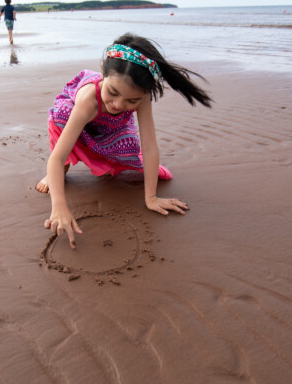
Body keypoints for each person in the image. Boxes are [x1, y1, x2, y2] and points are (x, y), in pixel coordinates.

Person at [36, 33, 212, 249]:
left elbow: (148, 147)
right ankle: (60, 174)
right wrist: (59, 207)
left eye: (132, 100)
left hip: (110, 126)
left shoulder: (141, 95)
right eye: (113, 92)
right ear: (102, 70)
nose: (118, 104)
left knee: (144, 160)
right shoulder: (88, 100)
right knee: (61, 121)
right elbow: (56, 157)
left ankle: (102, 152)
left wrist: (151, 198)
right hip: (76, 119)